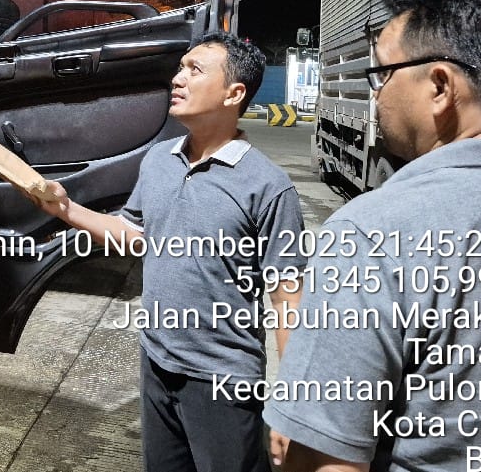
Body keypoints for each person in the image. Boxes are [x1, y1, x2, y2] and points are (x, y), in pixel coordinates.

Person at [264, 0, 481, 472]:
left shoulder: (372, 232)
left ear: (439, 87)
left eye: (383, 74)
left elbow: (324, 459)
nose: (376, 94)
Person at [30, 31, 305, 472]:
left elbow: (288, 298)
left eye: (195, 70)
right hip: (157, 360)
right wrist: (65, 209)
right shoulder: (159, 159)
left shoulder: (268, 186)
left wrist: (295, 403)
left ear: (234, 93)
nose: (178, 79)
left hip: (223, 378)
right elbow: (133, 234)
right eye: (180, 68)